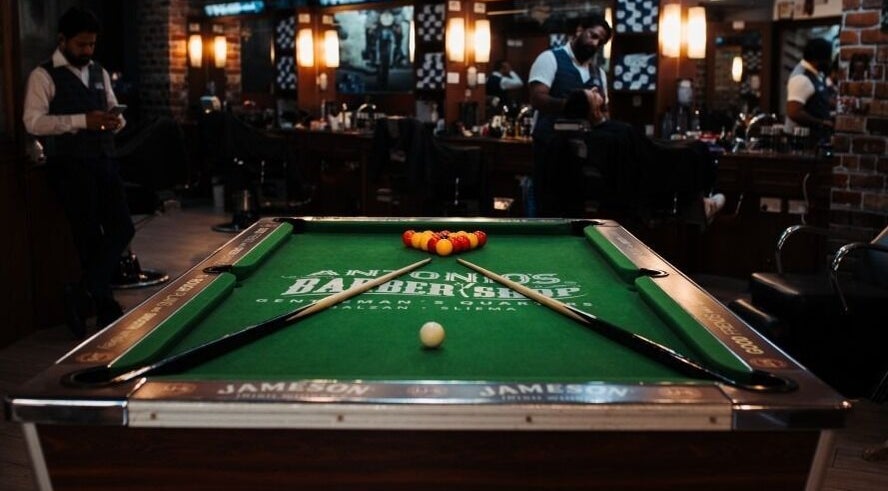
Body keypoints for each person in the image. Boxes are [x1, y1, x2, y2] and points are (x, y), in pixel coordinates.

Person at [23, 6, 133, 337]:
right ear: (62, 40)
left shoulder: (99, 71)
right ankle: (104, 306)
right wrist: (82, 121)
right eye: (81, 45)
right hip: (68, 166)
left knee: (122, 228)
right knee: (88, 236)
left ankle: (81, 291)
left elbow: (116, 112)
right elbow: (32, 122)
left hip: (104, 160)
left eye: (91, 45)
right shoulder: (42, 76)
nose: (87, 51)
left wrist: (115, 121)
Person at [554, 87, 724, 223]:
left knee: (694, 148)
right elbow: (646, 155)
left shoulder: (609, 133)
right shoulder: (612, 135)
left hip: (646, 152)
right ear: (594, 110)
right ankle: (702, 204)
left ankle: (701, 202)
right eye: (592, 94)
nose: (595, 89)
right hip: (648, 165)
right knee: (692, 151)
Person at [527, 14, 612, 217]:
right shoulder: (550, 59)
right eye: (592, 35)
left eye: (600, 41)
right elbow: (537, 98)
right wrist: (576, 103)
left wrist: (597, 111)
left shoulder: (599, 74)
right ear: (579, 30)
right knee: (548, 209)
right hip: (550, 148)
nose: (594, 43)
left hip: (584, 155)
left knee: (576, 212)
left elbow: (606, 113)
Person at [785, 38, 835, 145]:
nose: (829, 63)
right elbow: (794, 112)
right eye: (828, 59)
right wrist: (821, 123)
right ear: (818, 59)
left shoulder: (815, 74)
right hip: (801, 142)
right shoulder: (801, 78)